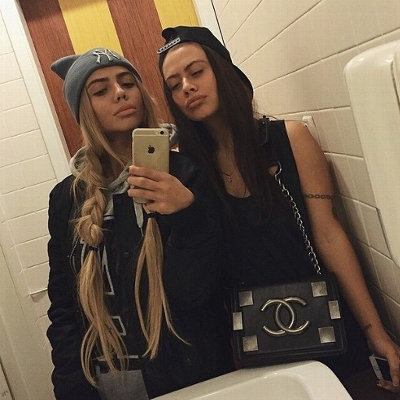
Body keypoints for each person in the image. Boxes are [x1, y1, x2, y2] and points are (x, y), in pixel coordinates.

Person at [157, 26, 400, 394]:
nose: (187, 87)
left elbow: (328, 236)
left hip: (325, 322)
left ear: (224, 71)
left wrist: (375, 331)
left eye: (196, 71)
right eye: (174, 85)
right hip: (254, 344)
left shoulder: (290, 139)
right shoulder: (187, 172)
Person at [46, 47, 234, 400]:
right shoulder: (66, 199)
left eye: (127, 83)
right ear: (84, 111)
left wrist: (187, 214)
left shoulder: (186, 174)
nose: (120, 93)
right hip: (106, 382)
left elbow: (197, 293)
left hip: (192, 376)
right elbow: (64, 304)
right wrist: (71, 386)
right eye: (101, 90)